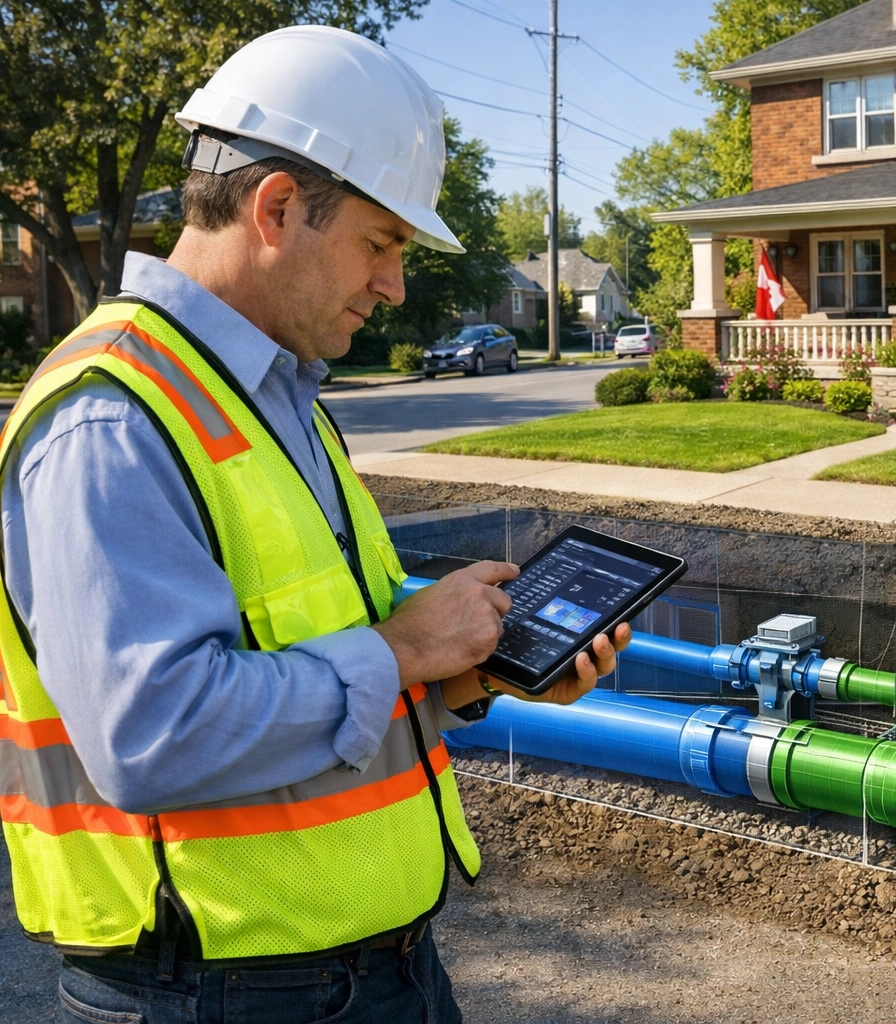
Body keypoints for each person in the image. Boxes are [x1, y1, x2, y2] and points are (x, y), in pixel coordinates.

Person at [0, 25, 627, 1023]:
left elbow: (336, 677)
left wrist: (468, 668)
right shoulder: (110, 418)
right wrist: (400, 645)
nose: (395, 287)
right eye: (380, 245)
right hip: (211, 993)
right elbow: (149, 734)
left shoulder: (276, 395)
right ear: (278, 209)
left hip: (371, 972)